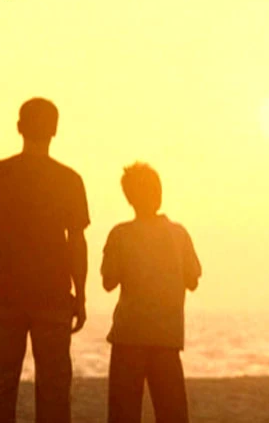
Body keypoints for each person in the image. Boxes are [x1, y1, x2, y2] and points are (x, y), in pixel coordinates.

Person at [0, 97, 90, 423]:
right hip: (52, 297)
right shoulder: (69, 180)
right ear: (54, 130)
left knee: (0, 386)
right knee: (53, 388)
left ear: (20, 127)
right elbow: (77, 242)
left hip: (6, 294)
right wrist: (80, 294)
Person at [101, 162, 202, 423]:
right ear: (159, 192)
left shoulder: (121, 234)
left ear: (130, 198)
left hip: (129, 336)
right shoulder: (178, 235)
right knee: (172, 414)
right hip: (166, 336)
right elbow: (193, 280)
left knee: (123, 414)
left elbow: (108, 281)